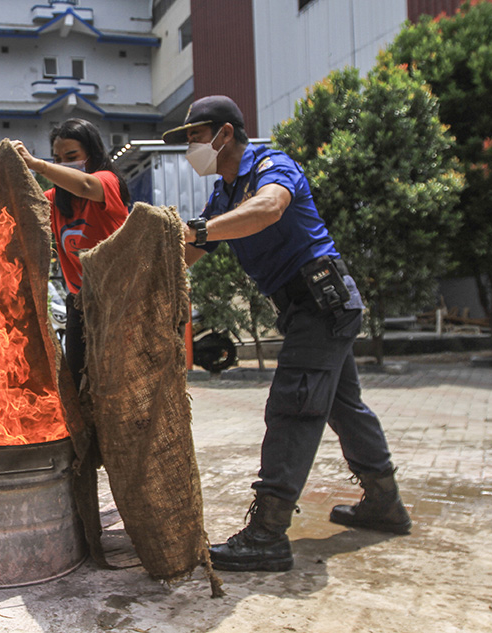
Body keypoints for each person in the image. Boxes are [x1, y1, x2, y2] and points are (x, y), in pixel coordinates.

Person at [165, 96, 412, 572]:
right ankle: (385, 503)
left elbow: (269, 209)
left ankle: (268, 533)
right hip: (312, 307)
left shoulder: (271, 167)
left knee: (293, 406)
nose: (191, 148)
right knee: (345, 407)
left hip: (322, 302)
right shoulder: (223, 195)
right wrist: (145, 264)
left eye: (195, 137)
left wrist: (197, 231)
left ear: (225, 134)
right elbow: (191, 251)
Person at [11, 119, 130, 391]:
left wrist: (38, 164)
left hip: (118, 300)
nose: (63, 163)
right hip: (79, 302)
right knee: (75, 382)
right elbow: (20, 209)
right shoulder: (54, 200)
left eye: (72, 157)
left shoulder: (107, 183)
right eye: (57, 158)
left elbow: (86, 186)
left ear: (93, 154)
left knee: (114, 384)